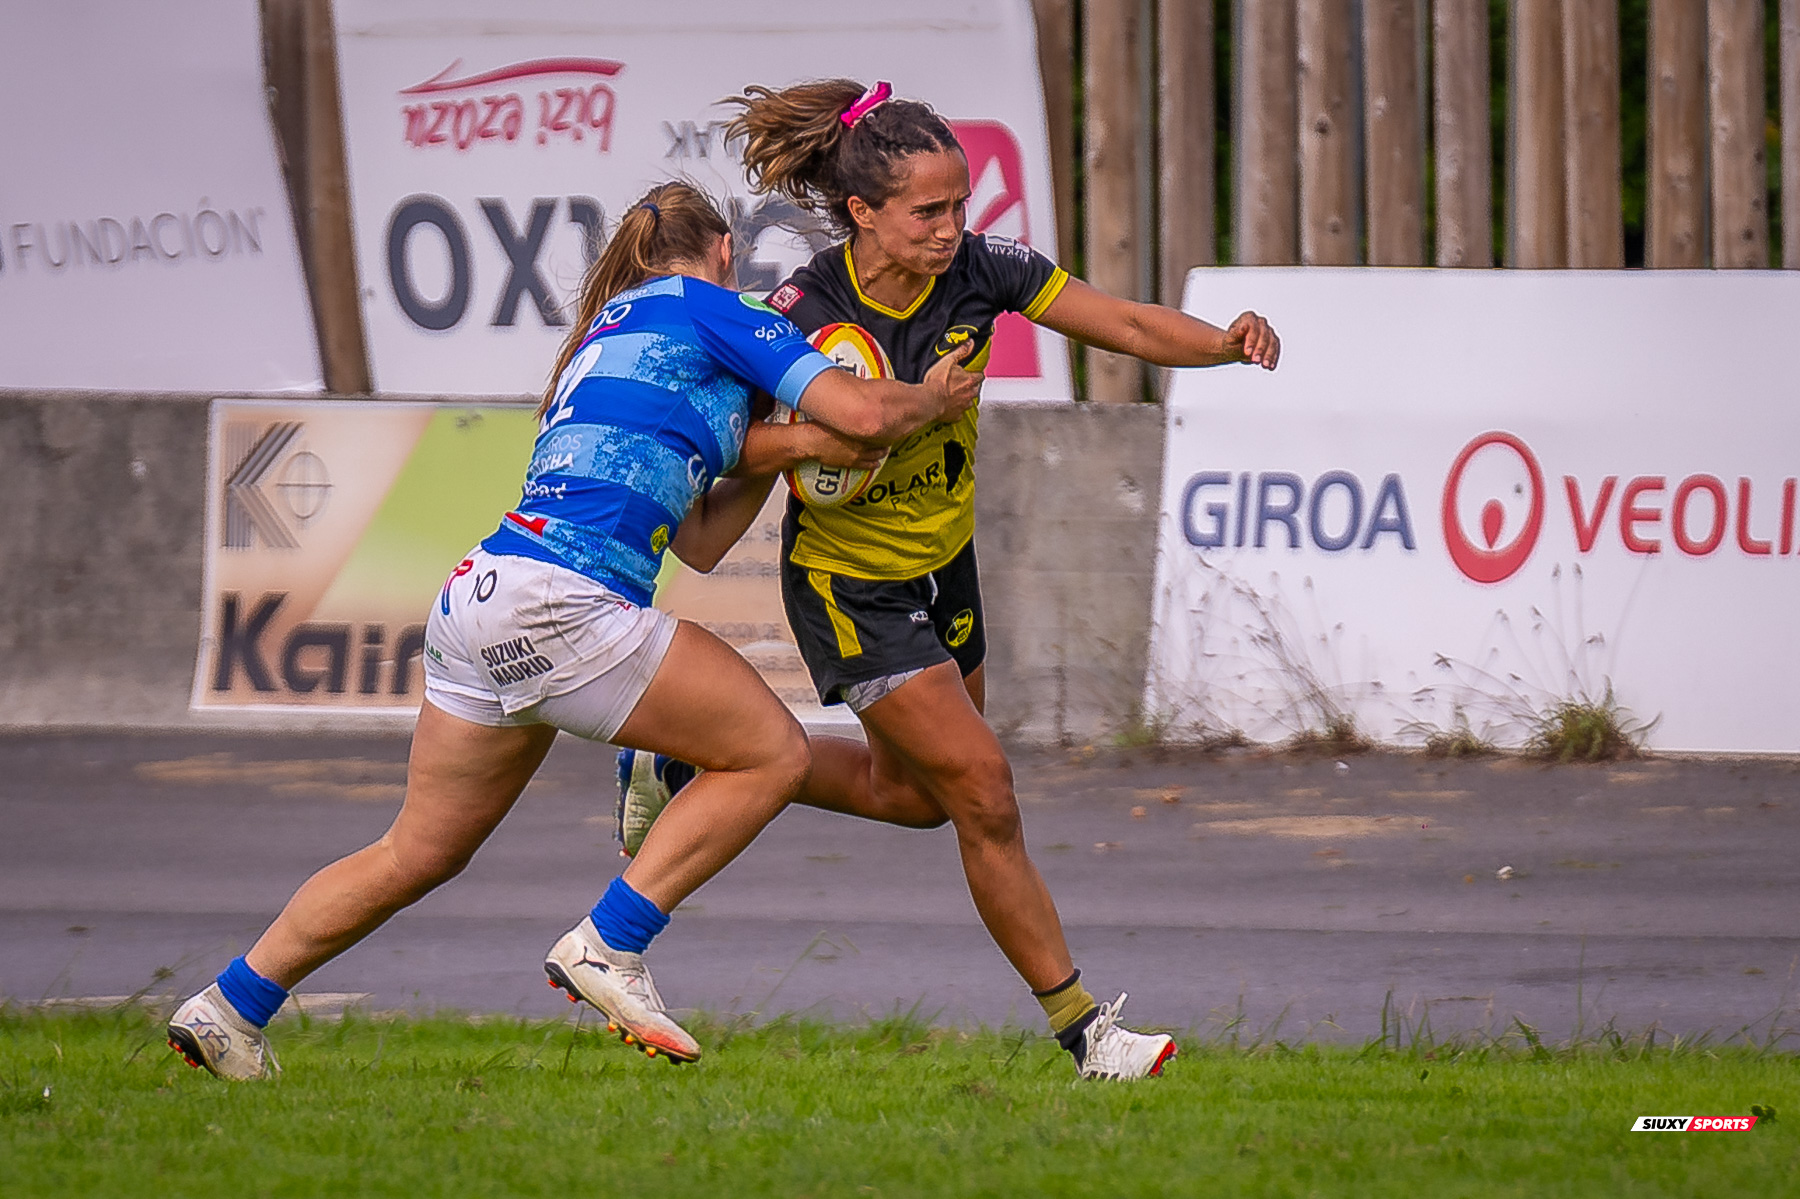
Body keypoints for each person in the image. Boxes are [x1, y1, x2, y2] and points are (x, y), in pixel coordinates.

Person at [165, 181, 981, 1081]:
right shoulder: (706, 308)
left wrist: (786, 445)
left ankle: (228, 1006)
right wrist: (931, 398)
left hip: (480, 596)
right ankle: (611, 941)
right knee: (772, 755)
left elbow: (703, 543)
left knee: (418, 849)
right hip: (567, 601)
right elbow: (864, 414)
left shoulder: (610, 335)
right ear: (720, 252)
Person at [618, 82, 1281, 1081]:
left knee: (917, 795)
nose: (951, 227)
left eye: (959, 204)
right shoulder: (804, 311)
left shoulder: (985, 272)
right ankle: (1087, 1033)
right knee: (985, 789)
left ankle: (681, 766)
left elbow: (1126, 326)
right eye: (928, 211)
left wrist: (1223, 343)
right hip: (847, 588)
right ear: (863, 213)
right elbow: (739, 442)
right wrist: (813, 439)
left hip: (943, 571)